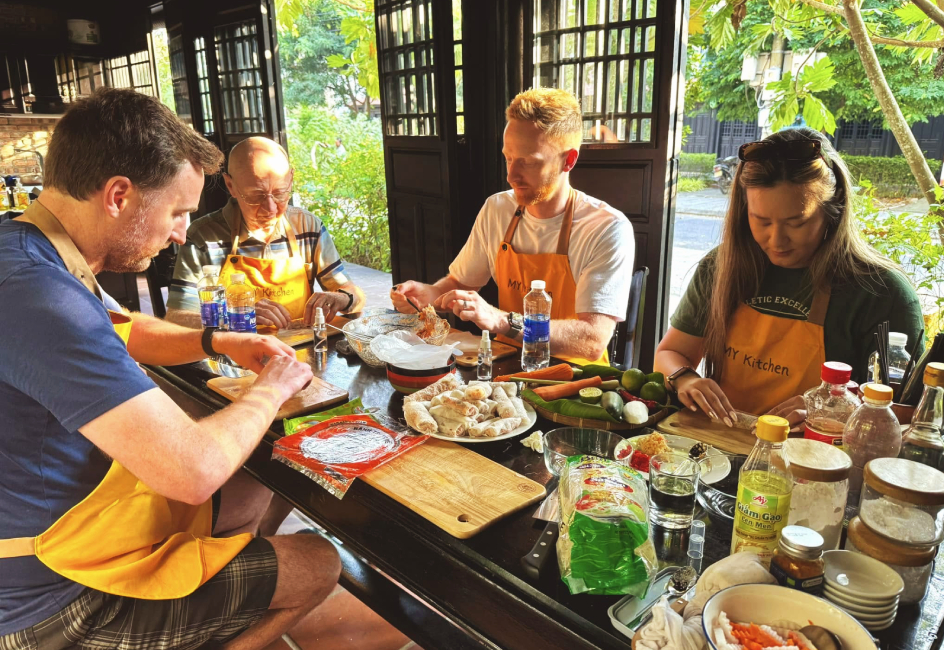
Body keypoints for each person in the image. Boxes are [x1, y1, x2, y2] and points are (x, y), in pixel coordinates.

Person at [0, 88, 341, 650]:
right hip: (46, 596)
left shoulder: (28, 247)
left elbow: (125, 327)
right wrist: (271, 389)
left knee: (252, 483)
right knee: (318, 563)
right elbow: (193, 469)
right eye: (177, 212)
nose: (182, 232)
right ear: (118, 196)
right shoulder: (37, 297)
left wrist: (217, 338)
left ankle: (211, 602)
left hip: (72, 524)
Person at [655, 128, 923, 429]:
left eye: (797, 222)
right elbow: (670, 353)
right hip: (719, 445)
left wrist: (834, 410)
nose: (777, 240)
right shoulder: (722, 266)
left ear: (833, 210)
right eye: (761, 220)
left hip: (819, 461)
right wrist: (685, 378)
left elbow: (912, 414)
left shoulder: (882, 293)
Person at [391, 87, 635, 365]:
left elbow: (592, 340)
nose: (511, 175)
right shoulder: (497, 209)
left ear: (568, 160)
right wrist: (431, 294)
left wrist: (501, 321)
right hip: (506, 364)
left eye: (529, 162)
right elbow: (461, 282)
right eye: (508, 157)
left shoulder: (606, 228)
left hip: (574, 381)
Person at [166, 136, 365, 330]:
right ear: (230, 186)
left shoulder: (308, 227)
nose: (271, 208)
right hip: (235, 356)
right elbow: (177, 319)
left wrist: (342, 298)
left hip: (299, 350)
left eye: (280, 193)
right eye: (256, 196)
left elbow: (354, 296)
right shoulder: (204, 237)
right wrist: (236, 315)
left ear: (291, 179)